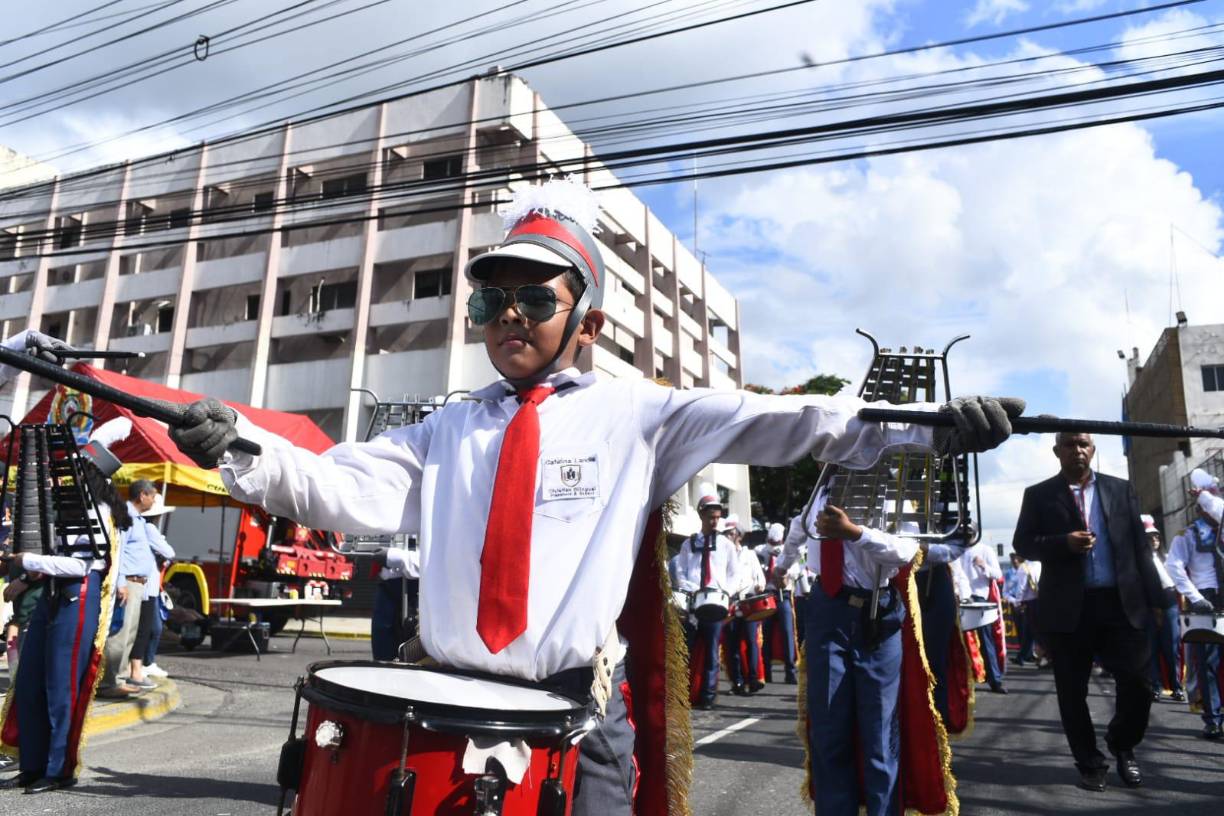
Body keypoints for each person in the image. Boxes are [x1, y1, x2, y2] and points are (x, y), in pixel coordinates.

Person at [160, 178, 1020, 814]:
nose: (510, 314)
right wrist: (239, 447)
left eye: (537, 297)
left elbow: (787, 422)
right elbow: (334, 482)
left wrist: (927, 427)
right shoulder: (445, 430)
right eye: (493, 298)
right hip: (444, 710)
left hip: (577, 717)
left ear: (590, 323)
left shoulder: (640, 415)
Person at [1013, 432, 1161, 792]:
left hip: (1120, 604)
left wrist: (1158, 600)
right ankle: (1090, 762)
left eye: (1083, 444)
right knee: (1071, 691)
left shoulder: (1120, 489)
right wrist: (1062, 543)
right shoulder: (1039, 495)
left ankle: (1122, 742)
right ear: (1057, 451)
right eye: (1069, 444)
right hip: (1067, 609)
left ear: (1093, 450)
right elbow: (1023, 543)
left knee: (1139, 684)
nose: (1077, 450)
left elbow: (1140, 547)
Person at [0, 424, 130, 793]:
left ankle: (58, 769)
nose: (63, 478)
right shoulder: (71, 507)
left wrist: (27, 561)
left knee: (61, 688)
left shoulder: (99, 511)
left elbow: (81, 565)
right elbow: (55, 557)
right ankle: (32, 765)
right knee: (29, 684)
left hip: (78, 599)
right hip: (52, 596)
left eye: (72, 471)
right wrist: (27, 575)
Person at [782, 500, 919, 816]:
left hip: (877, 613)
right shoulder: (821, 490)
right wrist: (782, 564)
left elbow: (905, 551)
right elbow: (799, 526)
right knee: (829, 731)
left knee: (879, 735)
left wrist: (855, 533)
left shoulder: (892, 492)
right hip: (828, 610)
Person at [98, 480, 167, 697]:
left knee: (129, 634)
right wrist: (120, 583)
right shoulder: (126, 516)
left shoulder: (137, 519)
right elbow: (117, 551)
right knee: (120, 634)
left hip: (137, 584)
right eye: (152, 495)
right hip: (127, 582)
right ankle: (108, 682)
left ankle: (118, 678)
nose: (154, 500)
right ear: (142, 495)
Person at [1167, 471, 1222, 739]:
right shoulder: (1187, 535)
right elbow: (1174, 566)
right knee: (1207, 662)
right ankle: (1213, 718)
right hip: (1206, 597)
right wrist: (1196, 597)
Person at [673, 490, 740, 709]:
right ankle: (683, 693)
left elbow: (734, 574)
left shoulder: (726, 545)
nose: (714, 521)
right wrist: (692, 589)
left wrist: (725, 592)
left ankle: (708, 695)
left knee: (712, 651)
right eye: (711, 517)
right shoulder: (688, 544)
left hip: (715, 603)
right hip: (693, 603)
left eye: (717, 517)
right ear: (701, 516)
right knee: (686, 649)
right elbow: (680, 572)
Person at [915, 526, 967, 723]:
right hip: (893, 581)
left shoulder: (946, 508)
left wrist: (925, 549)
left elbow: (956, 546)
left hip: (931, 585)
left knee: (934, 663)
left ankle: (936, 727)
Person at [1142, 515, 1184, 704]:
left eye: (1156, 536)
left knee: (1172, 648)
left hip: (1170, 603)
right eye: (1150, 537)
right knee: (1152, 649)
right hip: (1150, 606)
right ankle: (1155, 687)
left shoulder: (1166, 557)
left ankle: (1177, 687)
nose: (1154, 540)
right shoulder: (1141, 561)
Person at [958, 540, 1007, 694]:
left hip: (979, 599)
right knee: (958, 641)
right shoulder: (957, 548)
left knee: (986, 641)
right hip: (959, 597)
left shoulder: (985, 550)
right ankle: (963, 680)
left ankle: (995, 680)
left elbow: (998, 574)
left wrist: (983, 565)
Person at [725, 515, 766, 696]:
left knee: (751, 641)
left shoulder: (749, 554)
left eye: (730, 533)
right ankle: (737, 681)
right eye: (726, 533)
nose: (728, 536)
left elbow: (760, 577)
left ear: (739, 535)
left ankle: (753, 678)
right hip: (731, 601)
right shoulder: (722, 555)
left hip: (748, 601)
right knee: (732, 643)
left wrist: (760, 586)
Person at [757, 522, 797, 684]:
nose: (774, 546)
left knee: (787, 633)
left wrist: (785, 572)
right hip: (767, 595)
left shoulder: (788, 552)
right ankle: (766, 671)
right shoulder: (760, 551)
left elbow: (796, 570)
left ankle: (790, 671)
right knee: (765, 634)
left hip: (783, 595)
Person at [368, 541, 421, 661]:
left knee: (415, 653)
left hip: (419, 588)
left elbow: (436, 560)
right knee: (383, 655)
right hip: (387, 585)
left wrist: (398, 558)